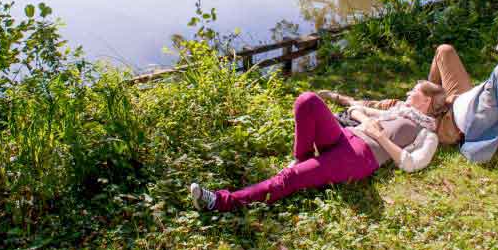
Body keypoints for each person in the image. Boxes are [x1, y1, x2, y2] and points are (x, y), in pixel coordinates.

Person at [323, 18, 498, 201]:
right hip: (460, 99)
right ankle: (425, 94)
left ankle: (347, 100)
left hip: (452, 126)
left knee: (394, 107)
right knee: (444, 51)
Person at [189, 85, 443, 212]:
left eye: (415, 91)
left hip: (358, 157)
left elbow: (412, 163)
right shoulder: (398, 110)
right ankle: (303, 158)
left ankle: (219, 202)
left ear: (427, 101)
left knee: (289, 178)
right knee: (307, 100)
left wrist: (381, 138)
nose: (409, 92)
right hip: (345, 135)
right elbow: (357, 109)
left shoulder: (427, 133)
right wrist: (366, 121)